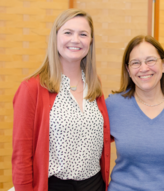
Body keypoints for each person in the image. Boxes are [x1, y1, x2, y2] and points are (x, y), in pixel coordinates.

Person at [12, 9, 110, 191]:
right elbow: (22, 155)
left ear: (91, 41)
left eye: (83, 34)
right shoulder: (32, 88)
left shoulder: (95, 85)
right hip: (55, 185)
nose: (75, 40)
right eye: (68, 32)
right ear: (55, 37)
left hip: (95, 184)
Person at [105, 35, 164, 191]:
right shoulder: (112, 106)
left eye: (150, 60)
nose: (144, 68)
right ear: (128, 69)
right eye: (136, 63)